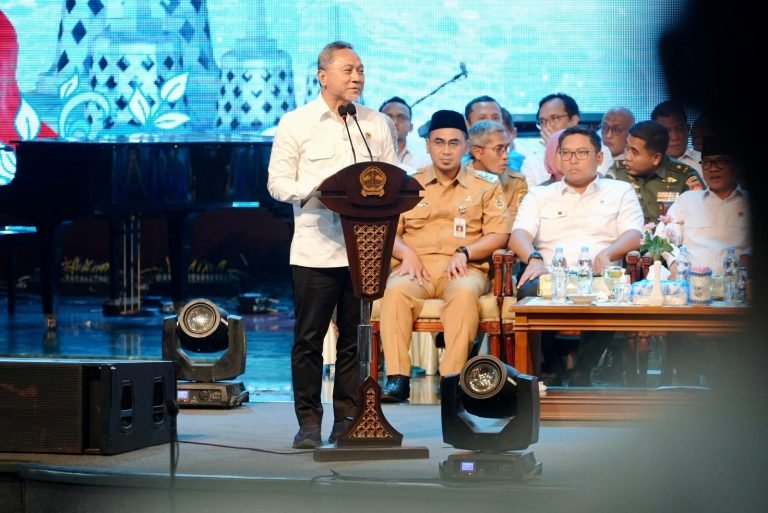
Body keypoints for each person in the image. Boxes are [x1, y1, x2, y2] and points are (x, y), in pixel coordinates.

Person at [267, 41, 399, 448]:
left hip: (365, 251)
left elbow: (394, 181)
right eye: (348, 70)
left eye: (361, 70)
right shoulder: (296, 123)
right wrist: (321, 189)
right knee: (308, 340)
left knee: (353, 340)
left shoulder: (376, 123)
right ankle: (308, 422)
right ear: (322, 76)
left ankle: (346, 417)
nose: (357, 77)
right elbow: (277, 184)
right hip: (315, 249)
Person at [378, 109, 511, 403]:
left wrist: (466, 252)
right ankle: (398, 378)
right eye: (439, 142)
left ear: (466, 146)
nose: (446, 150)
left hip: (464, 269)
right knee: (396, 292)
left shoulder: (485, 185)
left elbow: (499, 234)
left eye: (454, 143)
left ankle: (453, 380)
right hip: (416, 268)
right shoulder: (406, 184)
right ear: (427, 145)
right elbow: (387, 231)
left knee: (463, 295)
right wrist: (406, 252)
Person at [509, 125, 644, 385]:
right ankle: (551, 366)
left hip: (599, 274)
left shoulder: (620, 191)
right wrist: (534, 259)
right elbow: (518, 236)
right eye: (567, 153)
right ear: (558, 157)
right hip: (550, 274)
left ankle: (583, 369)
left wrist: (609, 252)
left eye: (582, 152)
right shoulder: (539, 194)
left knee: (611, 291)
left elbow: (634, 233)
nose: (573, 159)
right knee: (528, 290)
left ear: (599, 157)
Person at [610, 120, 703, 223]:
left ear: (656, 158)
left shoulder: (685, 177)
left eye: (634, 152)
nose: (627, 157)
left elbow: (699, 217)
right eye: (627, 148)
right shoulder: (617, 172)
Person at [520, 92, 613, 188]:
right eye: (543, 121)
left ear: (573, 120)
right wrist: (551, 151)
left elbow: (590, 185)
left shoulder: (598, 151)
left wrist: (558, 147)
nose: (548, 126)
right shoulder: (531, 162)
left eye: (554, 118)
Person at [467, 119, 528, 220]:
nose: (505, 156)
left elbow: (513, 224)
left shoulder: (516, 182)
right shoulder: (456, 179)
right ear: (477, 152)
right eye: (498, 149)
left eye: (506, 148)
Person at [379, 96, 430, 171]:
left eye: (401, 117)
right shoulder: (365, 154)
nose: (394, 122)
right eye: (388, 117)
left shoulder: (424, 160)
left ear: (411, 127)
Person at [651, 100, 702, 174]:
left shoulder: (705, 163)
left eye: (679, 129)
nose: (674, 137)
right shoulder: (645, 166)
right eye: (666, 131)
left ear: (688, 129)